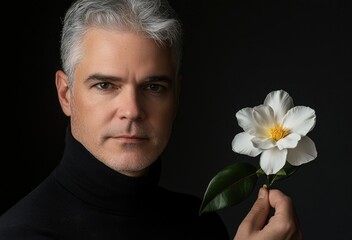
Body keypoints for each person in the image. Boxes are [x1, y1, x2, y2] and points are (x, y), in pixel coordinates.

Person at [0, 0, 302, 239]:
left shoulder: (200, 225)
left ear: (177, 95)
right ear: (66, 95)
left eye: (153, 87)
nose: (132, 110)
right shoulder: (21, 233)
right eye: (105, 85)